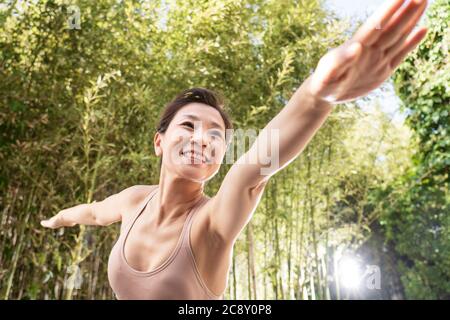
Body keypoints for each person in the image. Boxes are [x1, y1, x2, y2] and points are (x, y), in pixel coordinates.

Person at [41, 0, 429, 300]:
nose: (201, 139)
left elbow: (255, 166)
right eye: (189, 126)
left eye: (215, 136)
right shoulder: (134, 200)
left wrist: (318, 95)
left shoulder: (212, 222)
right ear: (159, 142)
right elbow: (93, 212)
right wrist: (62, 218)